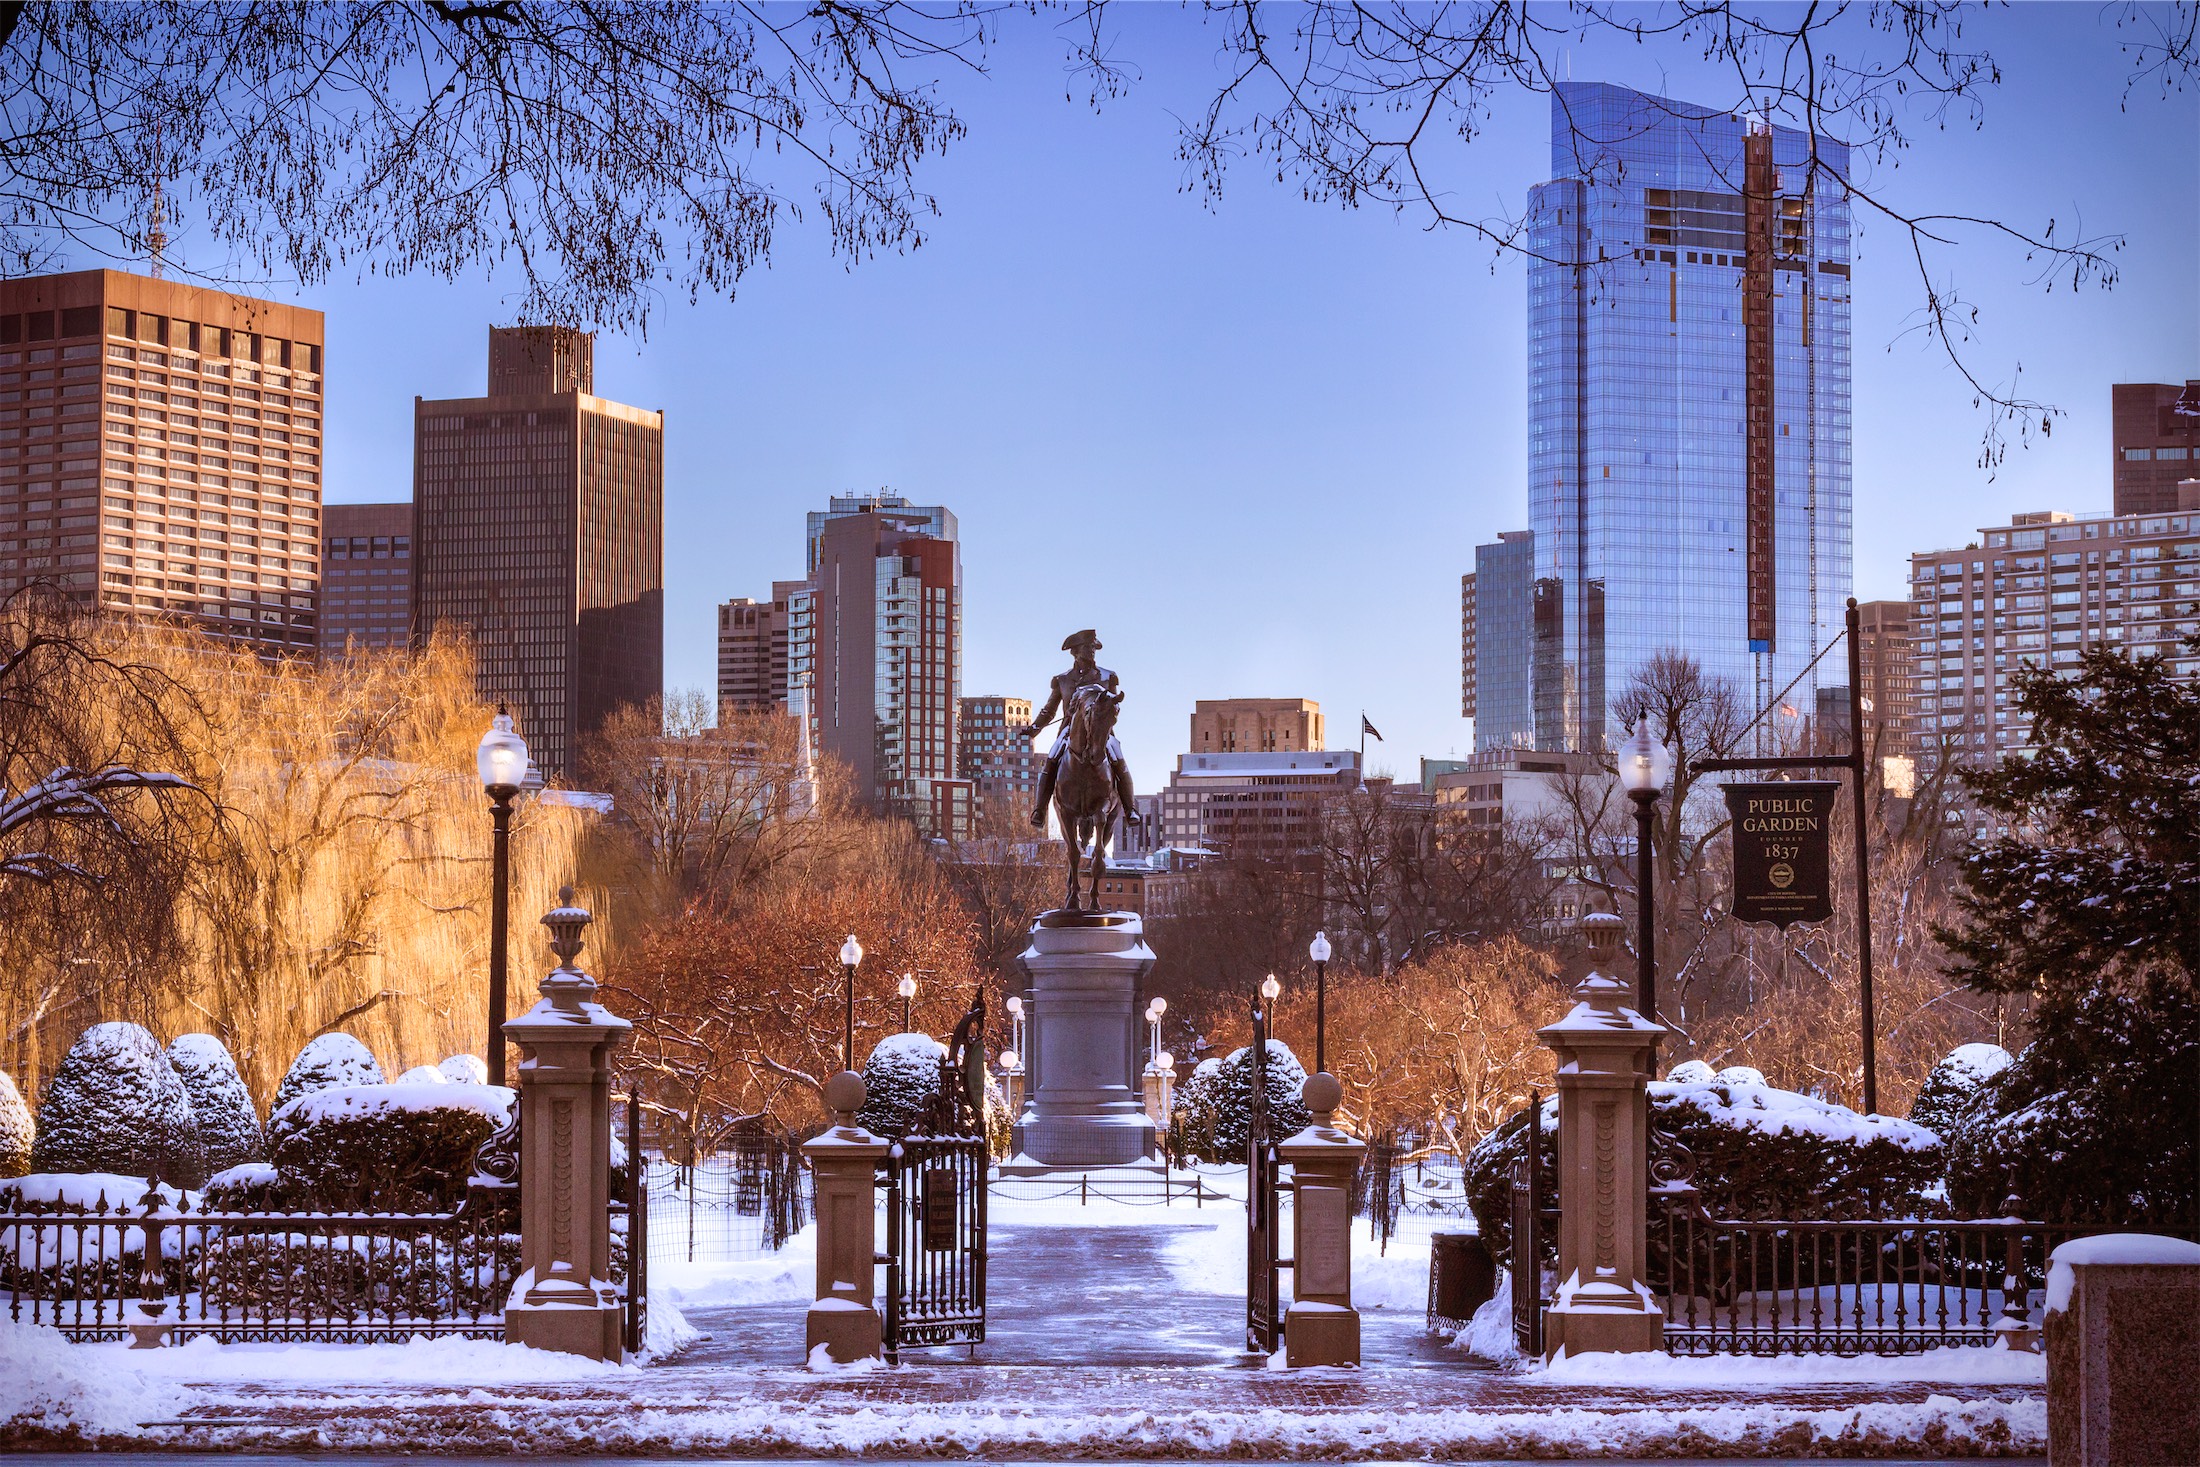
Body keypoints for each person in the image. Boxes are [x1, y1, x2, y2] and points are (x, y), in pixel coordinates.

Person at [1024, 629, 1139, 829]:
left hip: (1101, 732)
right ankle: (1039, 809)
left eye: (1093, 647)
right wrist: (1035, 727)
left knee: (1119, 761)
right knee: (1050, 762)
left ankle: (1130, 809)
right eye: (1087, 647)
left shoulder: (1107, 676)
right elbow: (1049, 710)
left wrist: (1110, 708)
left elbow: (1115, 704)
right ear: (1075, 652)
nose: (1092, 651)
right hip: (1070, 732)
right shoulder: (1063, 680)